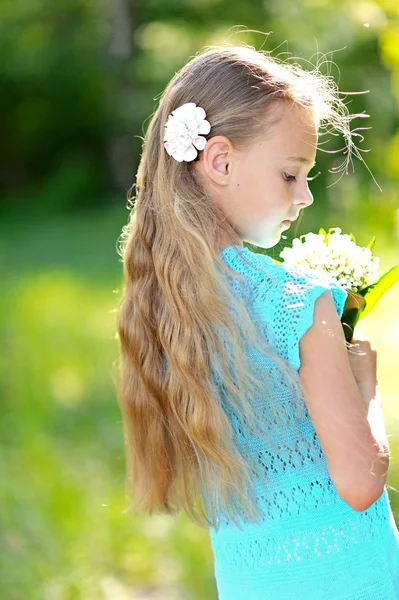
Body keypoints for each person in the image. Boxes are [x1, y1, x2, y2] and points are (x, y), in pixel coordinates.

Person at [116, 44, 399, 599]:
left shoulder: (164, 305)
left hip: (251, 582)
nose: (305, 195)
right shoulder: (300, 302)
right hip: (351, 577)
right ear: (219, 161)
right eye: (291, 174)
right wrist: (365, 386)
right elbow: (361, 483)